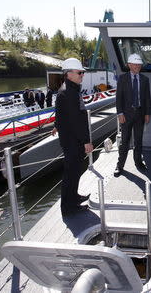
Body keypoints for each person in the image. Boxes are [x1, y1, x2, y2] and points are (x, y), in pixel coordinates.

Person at [52, 58, 93, 216]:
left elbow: (61, 113)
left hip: (71, 139)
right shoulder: (69, 92)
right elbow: (76, 121)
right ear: (69, 74)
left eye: (82, 72)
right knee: (71, 173)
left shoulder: (69, 89)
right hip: (72, 141)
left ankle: (74, 197)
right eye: (79, 72)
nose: (82, 75)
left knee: (75, 171)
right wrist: (86, 141)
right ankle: (68, 207)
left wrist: (56, 124)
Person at [115, 54, 151, 176]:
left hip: (140, 114)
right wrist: (120, 113)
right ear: (129, 65)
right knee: (124, 141)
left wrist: (147, 113)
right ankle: (120, 166)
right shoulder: (122, 78)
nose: (137, 66)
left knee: (138, 140)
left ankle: (138, 163)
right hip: (126, 115)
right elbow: (118, 98)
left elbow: (147, 98)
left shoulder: (145, 79)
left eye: (139, 64)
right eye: (135, 64)